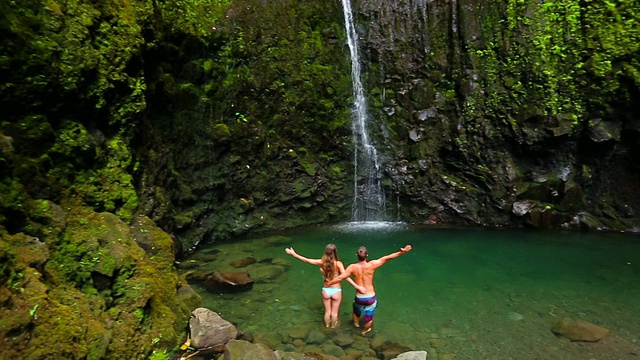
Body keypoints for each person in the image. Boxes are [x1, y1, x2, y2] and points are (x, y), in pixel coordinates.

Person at [325, 244, 412, 335]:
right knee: (369, 317)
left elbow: (340, 278)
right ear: (367, 255)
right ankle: (364, 331)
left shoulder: (352, 267)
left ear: (356, 255)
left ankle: (356, 324)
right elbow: (387, 258)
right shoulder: (372, 265)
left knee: (356, 312)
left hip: (359, 297)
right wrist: (402, 252)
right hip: (370, 297)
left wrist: (329, 283)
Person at [285, 244, 366, 328]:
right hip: (336, 290)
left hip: (326, 290)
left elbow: (306, 260)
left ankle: (327, 326)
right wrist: (357, 286)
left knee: (327, 312)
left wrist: (293, 254)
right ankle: (333, 327)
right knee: (334, 313)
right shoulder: (338, 264)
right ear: (335, 252)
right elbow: (345, 276)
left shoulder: (322, 262)